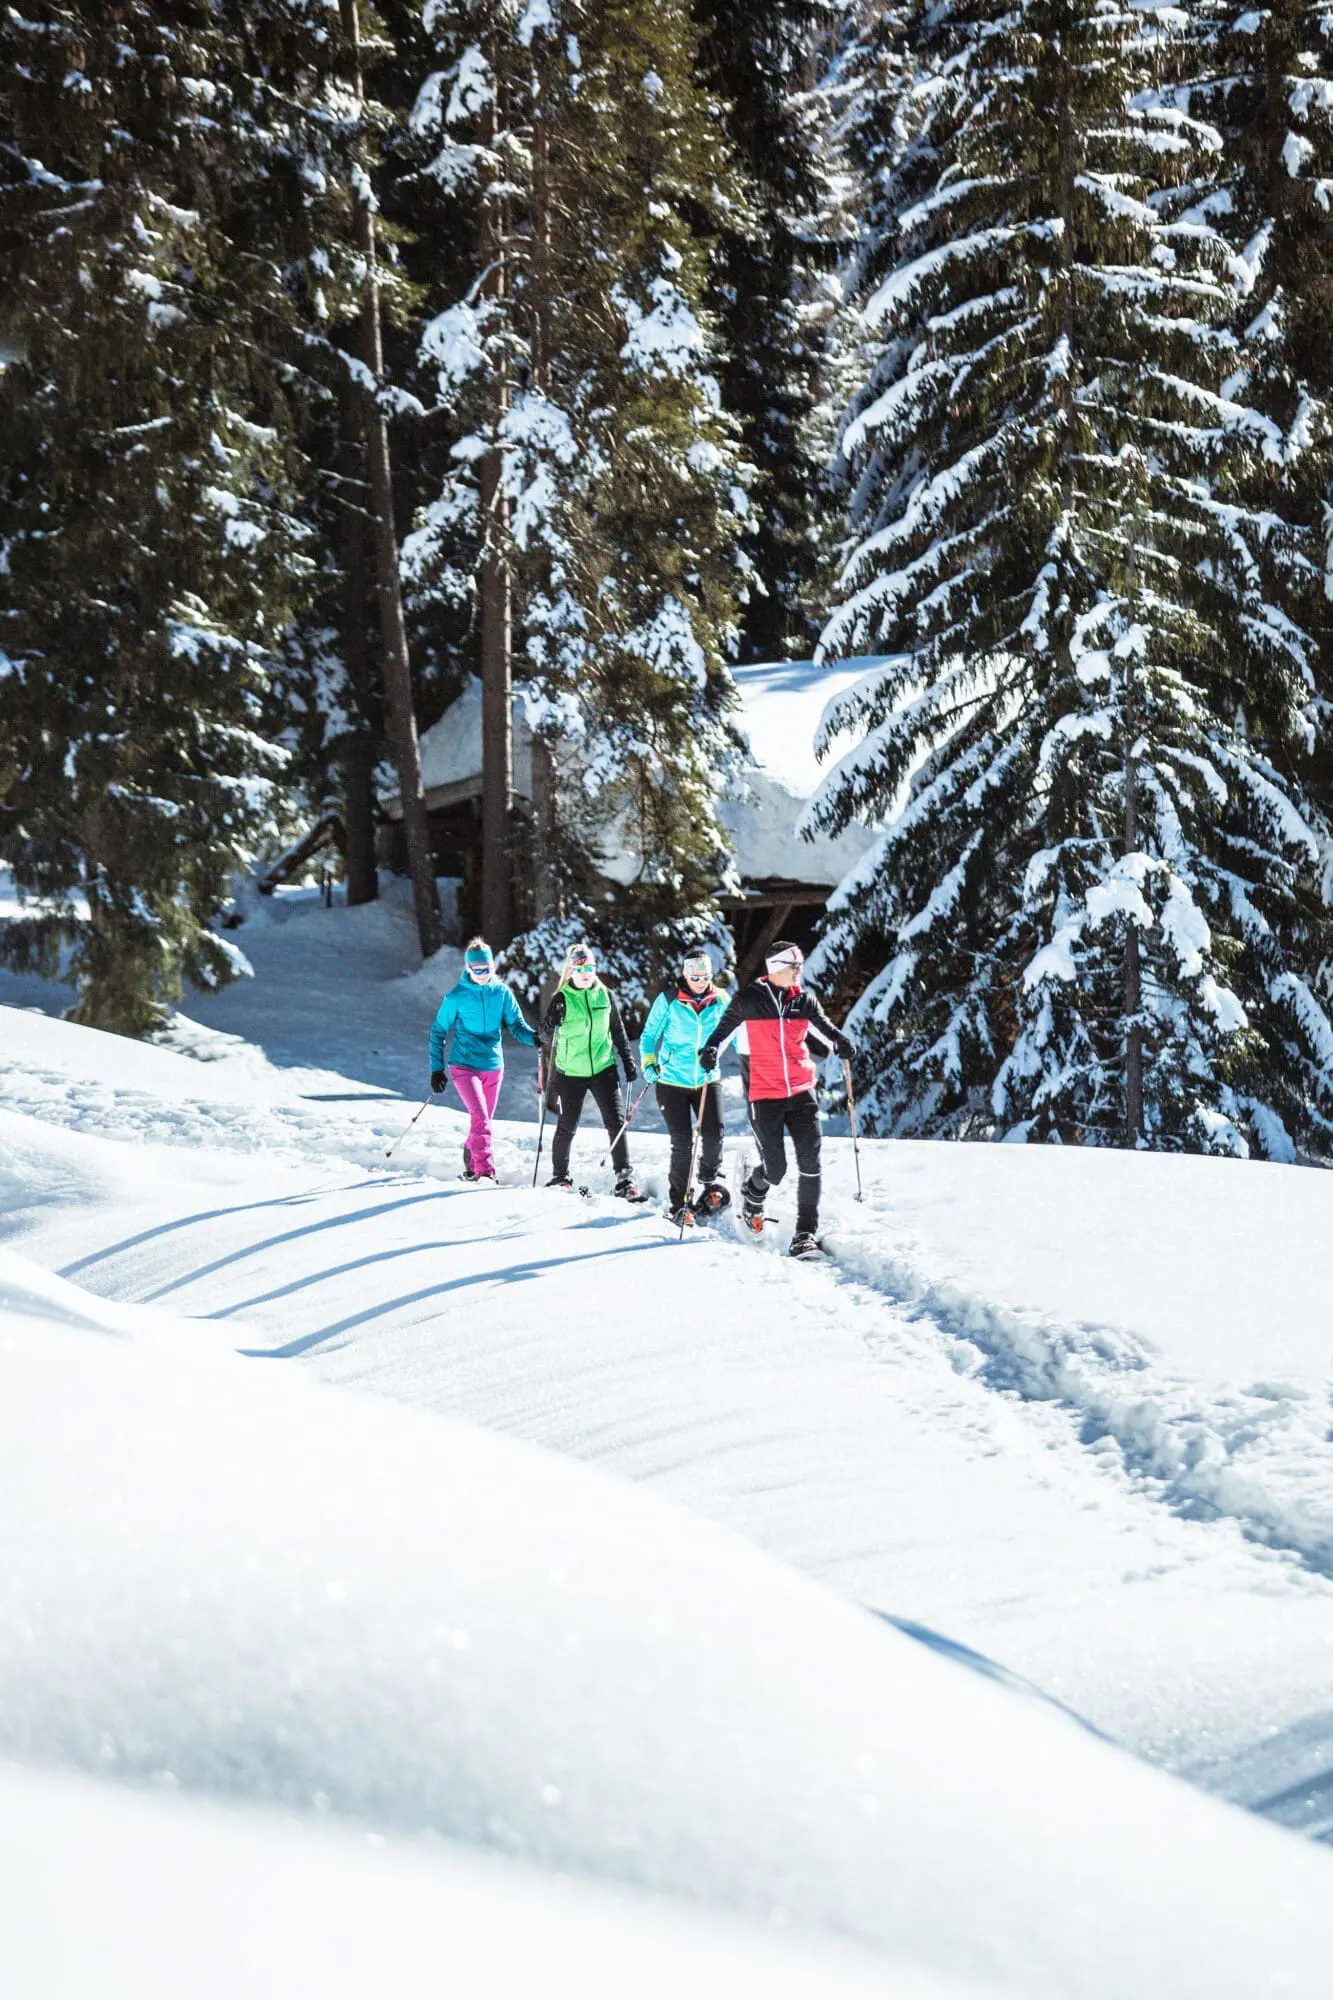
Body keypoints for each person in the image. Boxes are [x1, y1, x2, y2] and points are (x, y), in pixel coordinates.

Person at [700, 940, 854, 1258]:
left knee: (811, 1161)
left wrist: (841, 1041)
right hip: (764, 1094)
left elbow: (826, 1030)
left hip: (801, 1091)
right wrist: (711, 1050)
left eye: (799, 966)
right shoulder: (749, 1001)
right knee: (775, 1169)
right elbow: (722, 1032)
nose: (799, 972)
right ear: (776, 969)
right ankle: (753, 1194)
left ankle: (804, 1235)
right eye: (794, 967)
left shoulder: (805, 1002)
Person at [541, 942, 644, 1199]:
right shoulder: (562, 998)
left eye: (590, 967)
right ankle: (560, 1176)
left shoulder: (604, 995)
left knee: (616, 1122)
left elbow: (617, 1031)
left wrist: (628, 1060)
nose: (586, 973)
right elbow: (543, 1036)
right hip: (570, 1073)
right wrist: (551, 1021)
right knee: (567, 1126)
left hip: (603, 1068)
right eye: (580, 968)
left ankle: (624, 1178)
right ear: (571, 970)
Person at [428, 937, 536, 1183]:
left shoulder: (502, 993)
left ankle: (471, 1158)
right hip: (464, 1065)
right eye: (477, 970)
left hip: (493, 1067)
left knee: (483, 1121)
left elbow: (518, 1026)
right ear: (468, 968)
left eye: (486, 969)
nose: (482, 974)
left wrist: (536, 1038)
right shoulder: (456, 996)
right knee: (481, 1118)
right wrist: (436, 1069)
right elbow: (438, 1031)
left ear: (492, 967)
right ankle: (485, 1172)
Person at [640, 950, 730, 1225]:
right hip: (671, 1081)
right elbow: (648, 1036)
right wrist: (649, 1062)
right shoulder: (669, 1000)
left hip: (706, 1078)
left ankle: (707, 1180)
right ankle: (679, 1204)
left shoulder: (722, 1000)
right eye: (694, 977)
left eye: (705, 977)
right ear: (685, 975)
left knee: (714, 1137)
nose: (700, 982)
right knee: (682, 1143)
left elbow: (736, 1035)